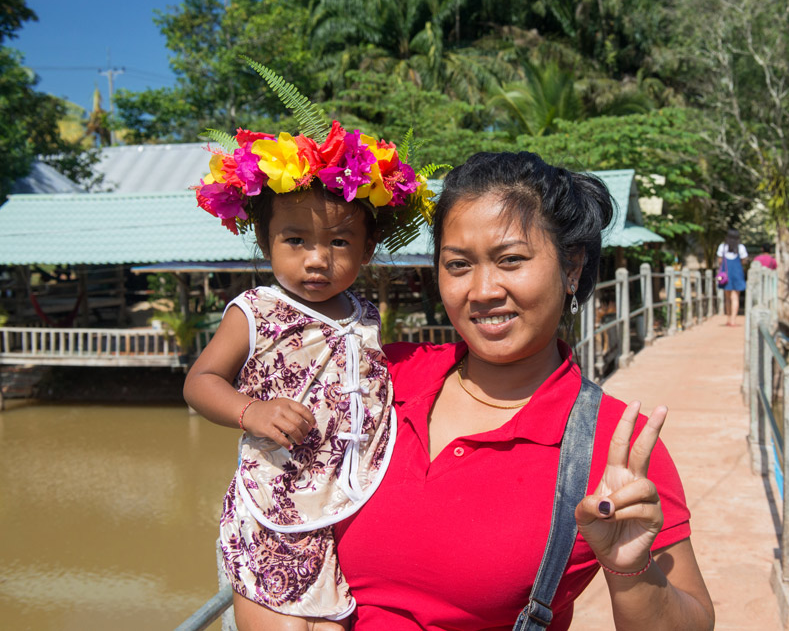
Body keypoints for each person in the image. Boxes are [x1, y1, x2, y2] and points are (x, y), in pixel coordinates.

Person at [334, 152, 715, 629]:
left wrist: (630, 567)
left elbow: (694, 619)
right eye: (458, 265)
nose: (483, 289)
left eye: (511, 260)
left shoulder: (617, 446)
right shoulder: (379, 376)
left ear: (571, 267)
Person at [183, 120, 435, 629]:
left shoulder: (364, 314)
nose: (317, 259)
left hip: (350, 505)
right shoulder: (254, 310)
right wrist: (250, 410)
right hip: (273, 501)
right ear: (265, 239)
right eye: (295, 239)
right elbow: (199, 382)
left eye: (340, 243)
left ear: (367, 250)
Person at [717, 228, 748, 326]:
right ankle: (734, 319)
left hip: (726, 274)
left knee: (727, 297)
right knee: (735, 297)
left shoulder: (722, 247)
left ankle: (729, 318)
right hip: (737, 273)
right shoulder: (741, 248)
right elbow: (744, 261)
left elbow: (719, 261)